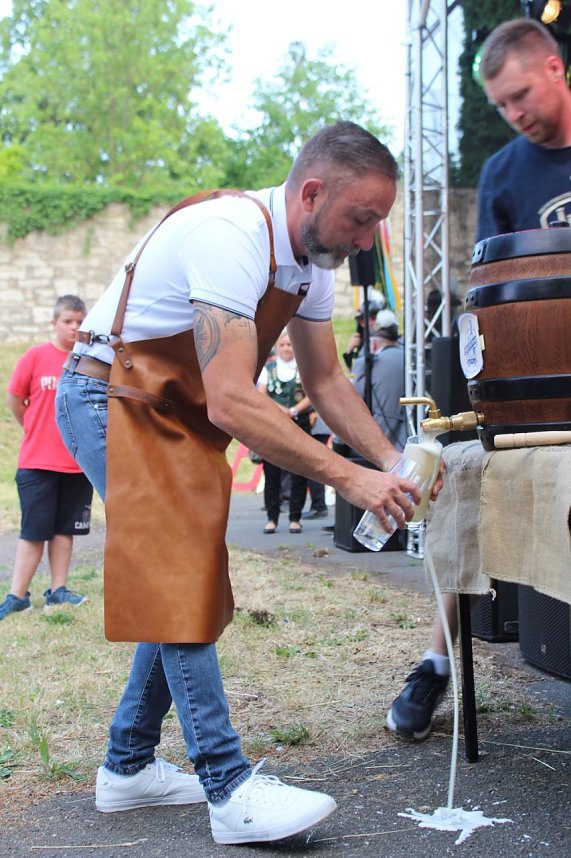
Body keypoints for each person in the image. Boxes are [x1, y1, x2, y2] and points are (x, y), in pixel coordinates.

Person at [55, 121, 440, 845]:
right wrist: (349, 480)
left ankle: (128, 767)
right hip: (110, 397)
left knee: (185, 576)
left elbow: (326, 382)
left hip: (171, 409)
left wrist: (390, 461)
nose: (366, 241)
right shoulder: (230, 234)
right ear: (312, 192)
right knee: (180, 570)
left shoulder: (310, 267)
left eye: (377, 224)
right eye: (362, 219)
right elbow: (231, 399)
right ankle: (228, 788)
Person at [387, 17, 571, 742]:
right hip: (535, 386)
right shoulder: (503, 172)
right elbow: (489, 290)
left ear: (554, 68)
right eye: (500, 105)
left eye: (521, 95)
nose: (513, 113)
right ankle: (435, 663)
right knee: (466, 496)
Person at [0, 295, 93, 621]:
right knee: (33, 531)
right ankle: (17, 596)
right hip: (37, 463)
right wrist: (34, 428)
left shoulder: (88, 362)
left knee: (64, 530)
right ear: (54, 323)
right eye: (68, 321)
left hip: (76, 463)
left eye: (80, 321)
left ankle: (58, 590)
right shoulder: (35, 356)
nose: (74, 327)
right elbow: (15, 400)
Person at [258, 331, 312, 534]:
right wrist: (282, 410)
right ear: (277, 347)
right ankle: (272, 517)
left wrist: (294, 411)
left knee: (299, 471)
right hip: (274, 424)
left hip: (300, 422)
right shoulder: (268, 369)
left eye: (289, 345)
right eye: (283, 345)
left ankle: (295, 517)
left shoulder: (303, 367)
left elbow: (312, 394)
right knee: (271, 472)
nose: (286, 348)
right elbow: (261, 395)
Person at [353, 308, 407, 452]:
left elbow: (355, 402)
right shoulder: (412, 359)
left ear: (374, 344)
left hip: (379, 442)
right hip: (411, 439)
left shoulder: (367, 363)